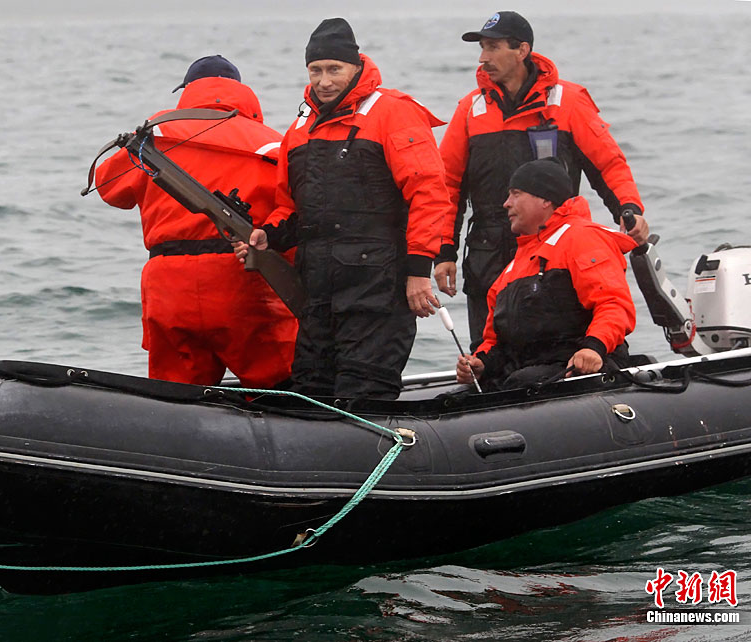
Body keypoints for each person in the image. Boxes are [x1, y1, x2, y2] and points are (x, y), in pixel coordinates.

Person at [234, 18, 448, 399]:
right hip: (318, 295)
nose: (324, 81)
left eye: (334, 69)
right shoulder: (299, 129)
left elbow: (429, 194)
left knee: (364, 392)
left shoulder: (393, 112)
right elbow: (290, 207)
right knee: (310, 391)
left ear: (356, 66)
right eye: (315, 70)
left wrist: (419, 271)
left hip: (378, 292)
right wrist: (269, 235)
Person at [435, 10, 647, 350]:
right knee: (488, 350)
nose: (482, 58)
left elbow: (607, 164)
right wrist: (444, 251)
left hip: (555, 251)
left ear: (522, 50)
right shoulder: (470, 109)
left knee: (557, 347)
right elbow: (447, 186)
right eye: (482, 48)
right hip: (488, 251)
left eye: (492, 47)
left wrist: (628, 208)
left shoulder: (568, 101)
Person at [94, 55, 297, 388]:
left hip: (168, 286)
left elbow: (109, 188)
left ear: (187, 91)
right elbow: (292, 214)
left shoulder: (153, 136)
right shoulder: (274, 144)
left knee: (175, 396)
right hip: (243, 278)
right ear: (242, 92)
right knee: (279, 391)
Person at [455, 158, 638, 390]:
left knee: (522, 383)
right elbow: (494, 338)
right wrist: (481, 362)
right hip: (528, 370)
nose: (506, 204)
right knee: (457, 397)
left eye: (516, 194)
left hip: (579, 366)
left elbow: (613, 304)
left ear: (545, 200)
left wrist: (593, 348)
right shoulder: (514, 265)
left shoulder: (582, 238)